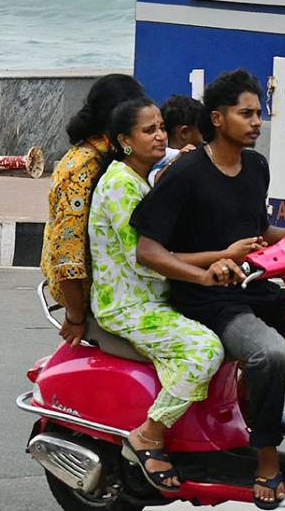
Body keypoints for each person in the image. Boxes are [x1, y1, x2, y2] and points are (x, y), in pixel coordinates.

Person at [130, 69, 285, 509]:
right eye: (247, 113)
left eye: (260, 113)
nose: (257, 121)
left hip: (253, 288)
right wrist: (212, 263)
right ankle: (266, 460)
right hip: (207, 299)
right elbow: (148, 250)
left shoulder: (256, 166)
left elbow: (261, 231)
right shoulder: (187, 173)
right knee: (269, 352)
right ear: (217, 118)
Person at [89, 96, 251, 492]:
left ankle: (242, 416)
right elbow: (146, 259)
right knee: (204, 349)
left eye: (161, 127)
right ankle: (149, 433)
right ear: (125, 141)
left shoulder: (146, 178)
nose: (161, 136)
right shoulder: (119, 185)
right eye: (149, 131)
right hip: (128, 305)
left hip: (158, 299)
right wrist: (216, 262)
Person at [40, 74, 146, 347]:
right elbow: (68, 251)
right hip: (93, 294)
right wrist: (75, 316)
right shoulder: (82, 167)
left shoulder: (112, 154)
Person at [149, 94, 205, 184]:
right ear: (184, 132)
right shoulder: (166, 156)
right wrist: (177, 159)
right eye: (203, 131)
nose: (205, 139)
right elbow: (156, 181)